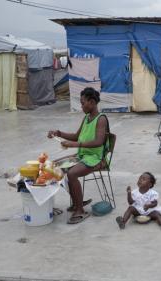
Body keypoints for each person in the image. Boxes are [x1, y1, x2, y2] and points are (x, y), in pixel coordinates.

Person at [47, 87, 109, 224]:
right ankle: (77, 201)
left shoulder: (101, 119)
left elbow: (99, 142)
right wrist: (58, 133)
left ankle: (80, 209)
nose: (81, 106)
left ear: (92, 102)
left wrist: (75, 145)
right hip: (83, 155)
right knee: (54, 166)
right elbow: (76, 136)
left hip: (95, 158)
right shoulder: (87, 118)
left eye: (83, 103)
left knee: (72, 174)